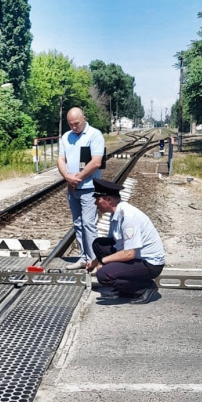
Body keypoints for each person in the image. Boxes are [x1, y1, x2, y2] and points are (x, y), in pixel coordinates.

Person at [85, 178, 165, 305]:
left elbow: (129, 254)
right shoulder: (115, 213)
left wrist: (103, 262)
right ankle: (123, 287)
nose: (95, 203)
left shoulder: (128, 217)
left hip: (149, 264)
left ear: (109, 200)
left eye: (97, 199)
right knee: (99, 244)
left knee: (103, 275)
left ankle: (145, 288)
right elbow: (114, 242)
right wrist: (95, 262)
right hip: (137, 258)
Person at [57, 107, 105, 270]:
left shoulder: (95, 135)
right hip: (72, 187)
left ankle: (94, 260)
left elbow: (96, 162)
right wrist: (67, 177)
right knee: (78, 223)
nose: (74, 127)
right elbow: (61, 159)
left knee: (88, 224)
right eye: (70, 124)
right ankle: (84, 257)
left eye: (76, 123)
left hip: (89, 187)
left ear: (84, 118)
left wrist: (77, 178)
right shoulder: (66, 137)